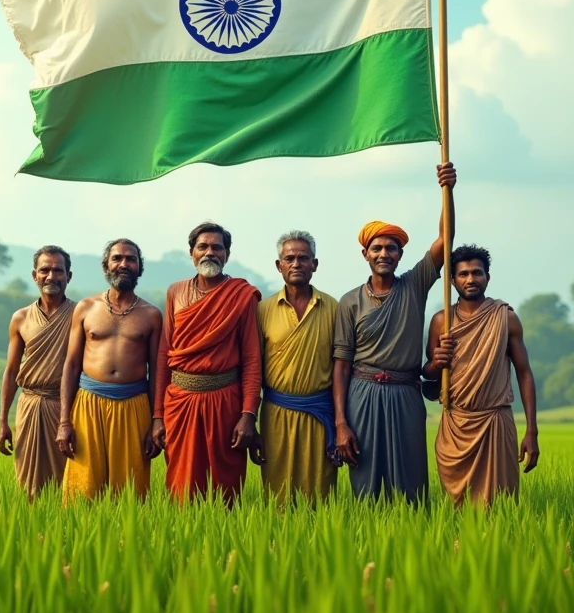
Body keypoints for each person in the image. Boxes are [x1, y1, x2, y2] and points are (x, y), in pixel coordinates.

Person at [333, 163, 457, 502]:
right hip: (363, 393)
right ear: (365, 254)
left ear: (401, 255)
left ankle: (413, 540)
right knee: (366, 477)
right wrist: (341, 422)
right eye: (377, 248)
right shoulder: (350, 302)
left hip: (405, 392)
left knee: (411, 480)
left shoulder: (414, 286)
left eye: (391, 248)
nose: (384, 254)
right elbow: (341, 366)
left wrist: (447, 190)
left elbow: (445, 240)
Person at [151, 222, 262, 503]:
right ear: (191, 253)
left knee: (225, 486)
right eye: (203, 246)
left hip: (225, 403)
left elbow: (251, 359)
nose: (209, 252)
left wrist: (248, 414)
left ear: (226, 254)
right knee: (181, 483)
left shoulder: (241, 295)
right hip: (180, 402)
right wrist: (157, 416)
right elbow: (165, 356)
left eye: (217, 247)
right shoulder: (175, 292)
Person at [423, 244, 539, 506]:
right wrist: (438, 361)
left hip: (495, 420)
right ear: (452, 280)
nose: (470, 279)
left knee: (500, 505)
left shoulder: (506, 318)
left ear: (488, 277)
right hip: (455, 422)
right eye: (463, 274)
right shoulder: (442, 321)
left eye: (477, 273)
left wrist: (532, 431)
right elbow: (429, 373)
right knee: (455, 506)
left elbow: (524, 373)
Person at [57, 239, 162, 500]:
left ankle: (130, 541)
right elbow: (71, 365)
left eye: (130, 259)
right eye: (117, 258)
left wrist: (155, 422)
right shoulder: (86, 308)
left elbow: (157, 372)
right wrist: (64, 421)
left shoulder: (151, 315)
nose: (123, 264)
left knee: (130, 493)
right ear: (106, 265)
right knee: (82, 490)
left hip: (134, 407)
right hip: (88, 405)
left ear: (139, 268)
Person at [257, 230, 339, 504]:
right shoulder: (262, 310)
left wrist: (341, 422)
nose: (296, 263)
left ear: (314, 264)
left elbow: (342, 368)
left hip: (319, 414)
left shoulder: (334, 308)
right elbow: (253, 368)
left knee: (320, 492)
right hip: (276, 415)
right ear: (278, 265)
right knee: (277, 494)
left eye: (303, 258)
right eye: (289, 258)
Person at [0, 245, 75, 499]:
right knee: (26, 480)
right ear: (35, 275)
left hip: (67, 408)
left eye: (58, 270)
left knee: (69, 480)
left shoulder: (80, 315)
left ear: (68, 276)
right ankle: (33, 532)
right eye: (45, 270)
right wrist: (2, 421)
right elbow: (11, 372)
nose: (51, 276)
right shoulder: (21, 318)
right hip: (29, 406)